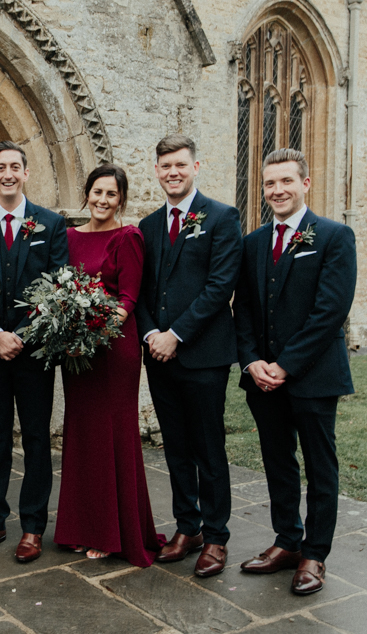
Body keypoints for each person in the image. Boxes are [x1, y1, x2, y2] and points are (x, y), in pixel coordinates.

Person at [233, 148, 356, 595]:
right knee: (277, 462)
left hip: (314, 376)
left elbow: (330, 311)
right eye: (269, 183)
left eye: (286, 181)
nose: (277, 190)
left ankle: (315, 555)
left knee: (320, 468)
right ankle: (287, 541)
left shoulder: (334, 236)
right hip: (262, 379)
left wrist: (285, 365)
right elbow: (242, 308)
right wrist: (252, 362)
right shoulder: (251, 243)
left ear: (305, 183)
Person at [135, 134, 242, 578]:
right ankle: (188, 527)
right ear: (157, 171)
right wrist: (150, 335)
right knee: (175, 447)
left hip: (203, 355)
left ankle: (216, 536)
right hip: (159, 356)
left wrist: (176, 334)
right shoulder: (148, 225)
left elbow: (220, 286)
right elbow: (138, 291)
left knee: (207, 448)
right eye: (165, 166)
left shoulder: (221, 217)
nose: (173, 173)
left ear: (196, 167)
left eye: (180, 165)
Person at [0, 141, 68, 563]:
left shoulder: (50, 223)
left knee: (38, 440)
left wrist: (19, 334)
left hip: (33, 353)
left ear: (26, 173)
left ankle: (33, 526)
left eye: (14, 167)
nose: (7, 173)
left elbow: (56, 285)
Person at [53, 165, 164, 566]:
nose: (102, 200)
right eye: (97, 192)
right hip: (77, 352)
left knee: (112, 434)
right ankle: (81, 527)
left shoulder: (127, 237)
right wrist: (71, 332)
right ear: (85, 194)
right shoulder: (66, 238)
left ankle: (114, 532)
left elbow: (130, 297)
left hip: (114, 350)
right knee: (82, 434)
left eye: (111, 195)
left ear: (121, 200)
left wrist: (95, 332)